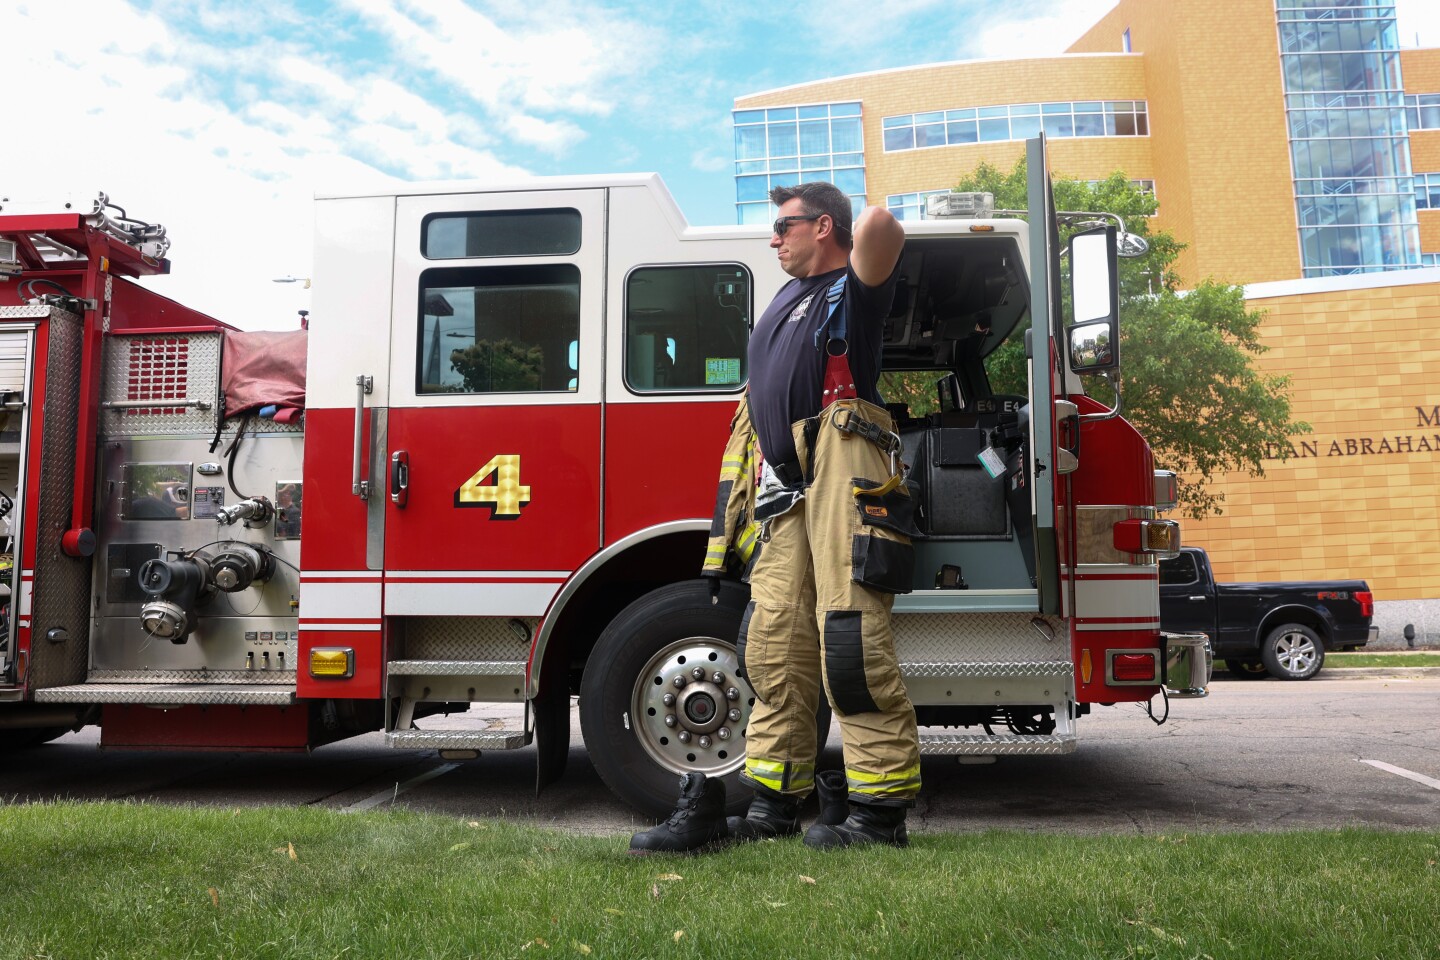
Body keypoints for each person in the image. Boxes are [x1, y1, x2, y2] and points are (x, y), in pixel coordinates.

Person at [630, 183, 919, 855]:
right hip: (785, 492)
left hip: (844, 476)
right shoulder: (784, 302)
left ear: (823, 227)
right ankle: (774, 806)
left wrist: (842, 202)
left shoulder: (855, 289)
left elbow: (880, 224)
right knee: (774, 650)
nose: (772, 238)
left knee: (850, 644)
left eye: (784, 225)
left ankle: (879, 818)